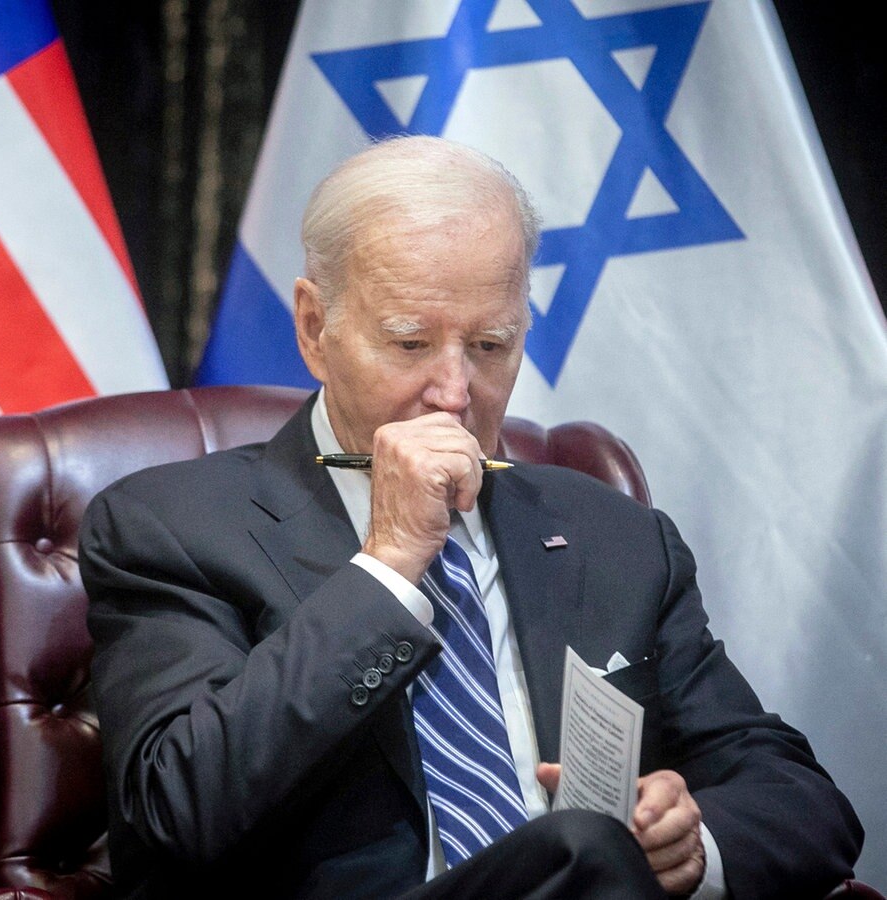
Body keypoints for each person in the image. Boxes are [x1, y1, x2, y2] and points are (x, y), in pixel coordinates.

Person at [79, 135, 862, 899]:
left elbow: (802, 801)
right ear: (316, 329)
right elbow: (174, 814)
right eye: (410, 342)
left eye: (490, 345)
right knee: (580, 847)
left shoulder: (612, 534)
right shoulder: (171, 526)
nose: (454, 392)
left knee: (589, 853)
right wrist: (387, 568)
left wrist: (691, 846)